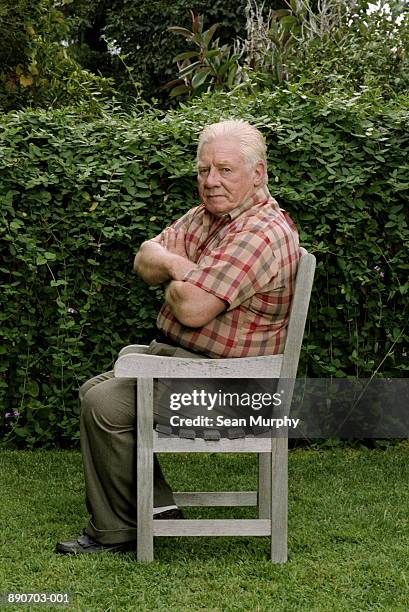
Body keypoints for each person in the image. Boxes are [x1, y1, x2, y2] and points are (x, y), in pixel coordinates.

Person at [56, 119, 300, 554]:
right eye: (204, 170)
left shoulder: (261, 231)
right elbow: (145, 258)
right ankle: (157, 510)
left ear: (257, 173)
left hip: (236, 388)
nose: (211, 181)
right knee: (95, 389)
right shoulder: (208, 217)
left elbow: (191, 309)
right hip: (191, 366)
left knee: (104, 403)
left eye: (225, 170)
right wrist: (178, 267)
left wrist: (181, 276)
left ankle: (120, 532)